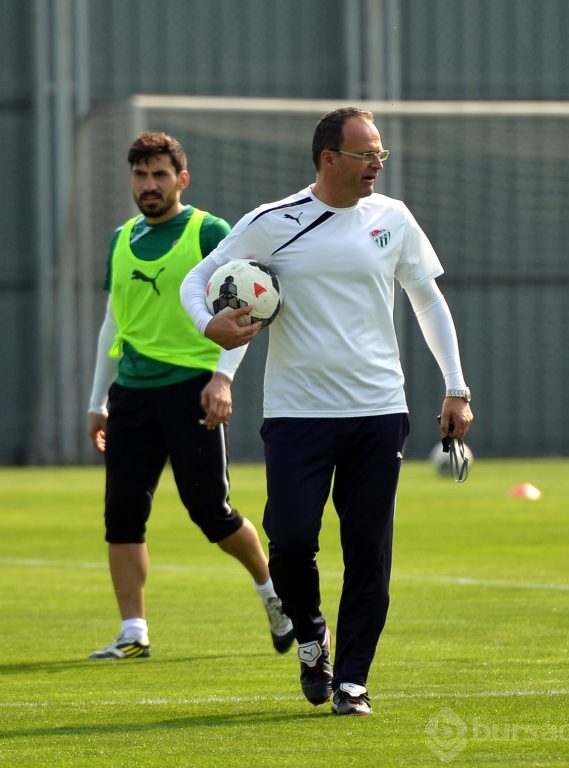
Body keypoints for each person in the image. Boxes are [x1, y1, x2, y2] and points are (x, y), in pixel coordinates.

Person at [180, 107, 473, 715]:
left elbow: (428, 301)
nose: (376, 164)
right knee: (290, 542)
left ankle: (353, 682)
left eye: (380, 154)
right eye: (366, 154)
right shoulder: (272, 221)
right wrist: (210, 325)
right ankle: (312, 636)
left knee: (368, 550)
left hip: (378, 411)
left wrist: (456, 387)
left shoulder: (393, 218)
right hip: (297, 414)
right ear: (328, 159)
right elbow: (196, 280)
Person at [86, 131, 294, 660]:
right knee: (121, 515)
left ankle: (274, 595)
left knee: (211, 512)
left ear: (182, 179)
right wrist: (97, 401)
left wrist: (221, 379)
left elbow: (243, 312)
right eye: (140, 175)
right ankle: (133, 631)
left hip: (191, 390)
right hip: (131, 394)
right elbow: (113, 321)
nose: (148, 185)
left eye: (159, 174)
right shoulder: (121, 238)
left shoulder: (209, 232)